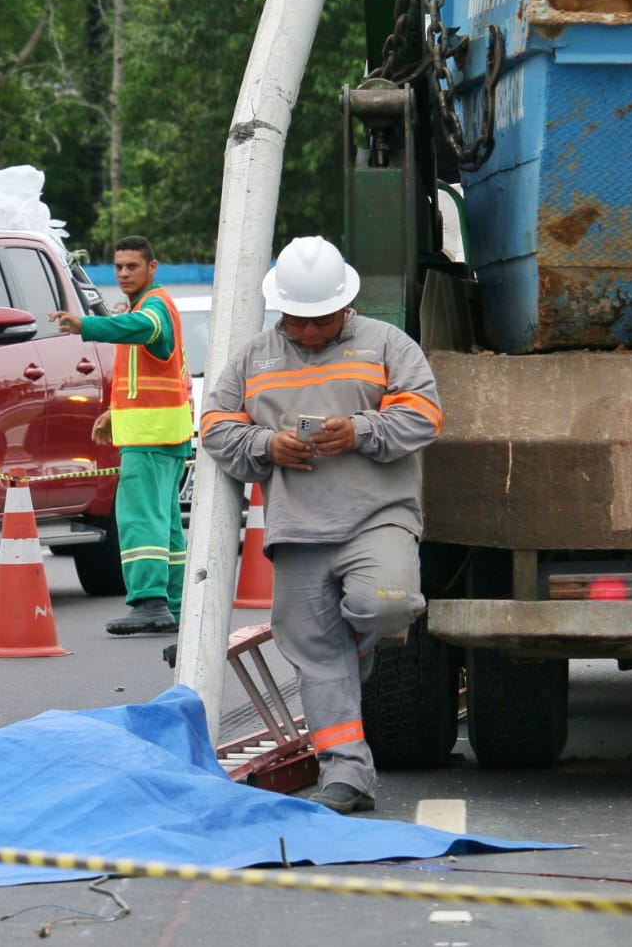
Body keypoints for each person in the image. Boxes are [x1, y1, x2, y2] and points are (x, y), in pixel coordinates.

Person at [199, 236, 440, 815]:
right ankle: (346, 776)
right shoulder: (255, 357)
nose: (308, 332)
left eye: (321, 320)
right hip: (298, 528)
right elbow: (213, 424)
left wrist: (360, 431)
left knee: (387, 603)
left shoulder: (387, 344)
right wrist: (266, 444)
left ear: (346, 304)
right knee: (318, 655)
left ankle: (351, 649)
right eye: (298, 320)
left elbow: (424, 415)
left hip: (376, 518)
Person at [49, 235, 192, 635]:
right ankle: (176, 606)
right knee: (165, 526)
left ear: (153, 268)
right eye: (119, 267)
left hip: (150, 438)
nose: (125, 273)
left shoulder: (154, 307)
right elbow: (153, 372)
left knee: (139, 521)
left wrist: (87, 324)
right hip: (162, 434)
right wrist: (115, 411)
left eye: (133, 266)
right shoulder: (147, 305)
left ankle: (149, 601)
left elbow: (143, 329)